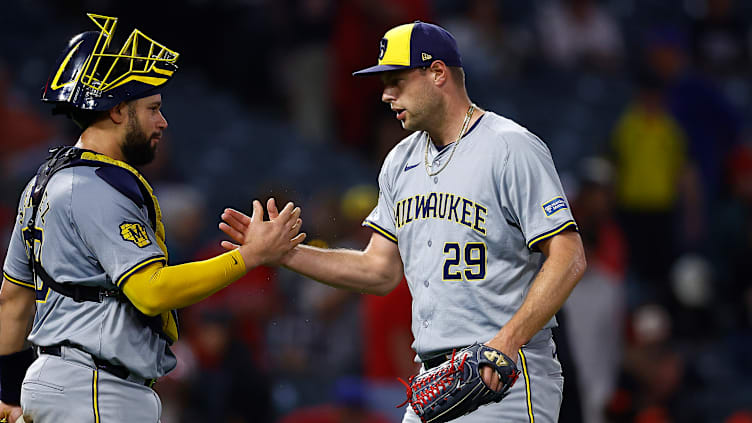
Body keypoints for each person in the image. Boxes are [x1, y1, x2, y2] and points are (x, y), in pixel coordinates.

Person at [221, 21, 586, 422]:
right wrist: (286, 254)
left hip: (505, 375)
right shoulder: (400, 161)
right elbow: (378, 270)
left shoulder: (509, 146)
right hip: (432, 378)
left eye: (396, 81)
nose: (385, 94)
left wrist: (507, 342)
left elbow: (569, 257)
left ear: (438, 73)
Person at [0, 13, 305, 423]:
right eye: (153, 108)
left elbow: (12, 301)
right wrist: (249, 256)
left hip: (69, 383)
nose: (162, 121)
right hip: (95, 388)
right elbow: (152, 291)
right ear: (117, 110)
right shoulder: (96, 187)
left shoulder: (42, 185)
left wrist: (9, 392)